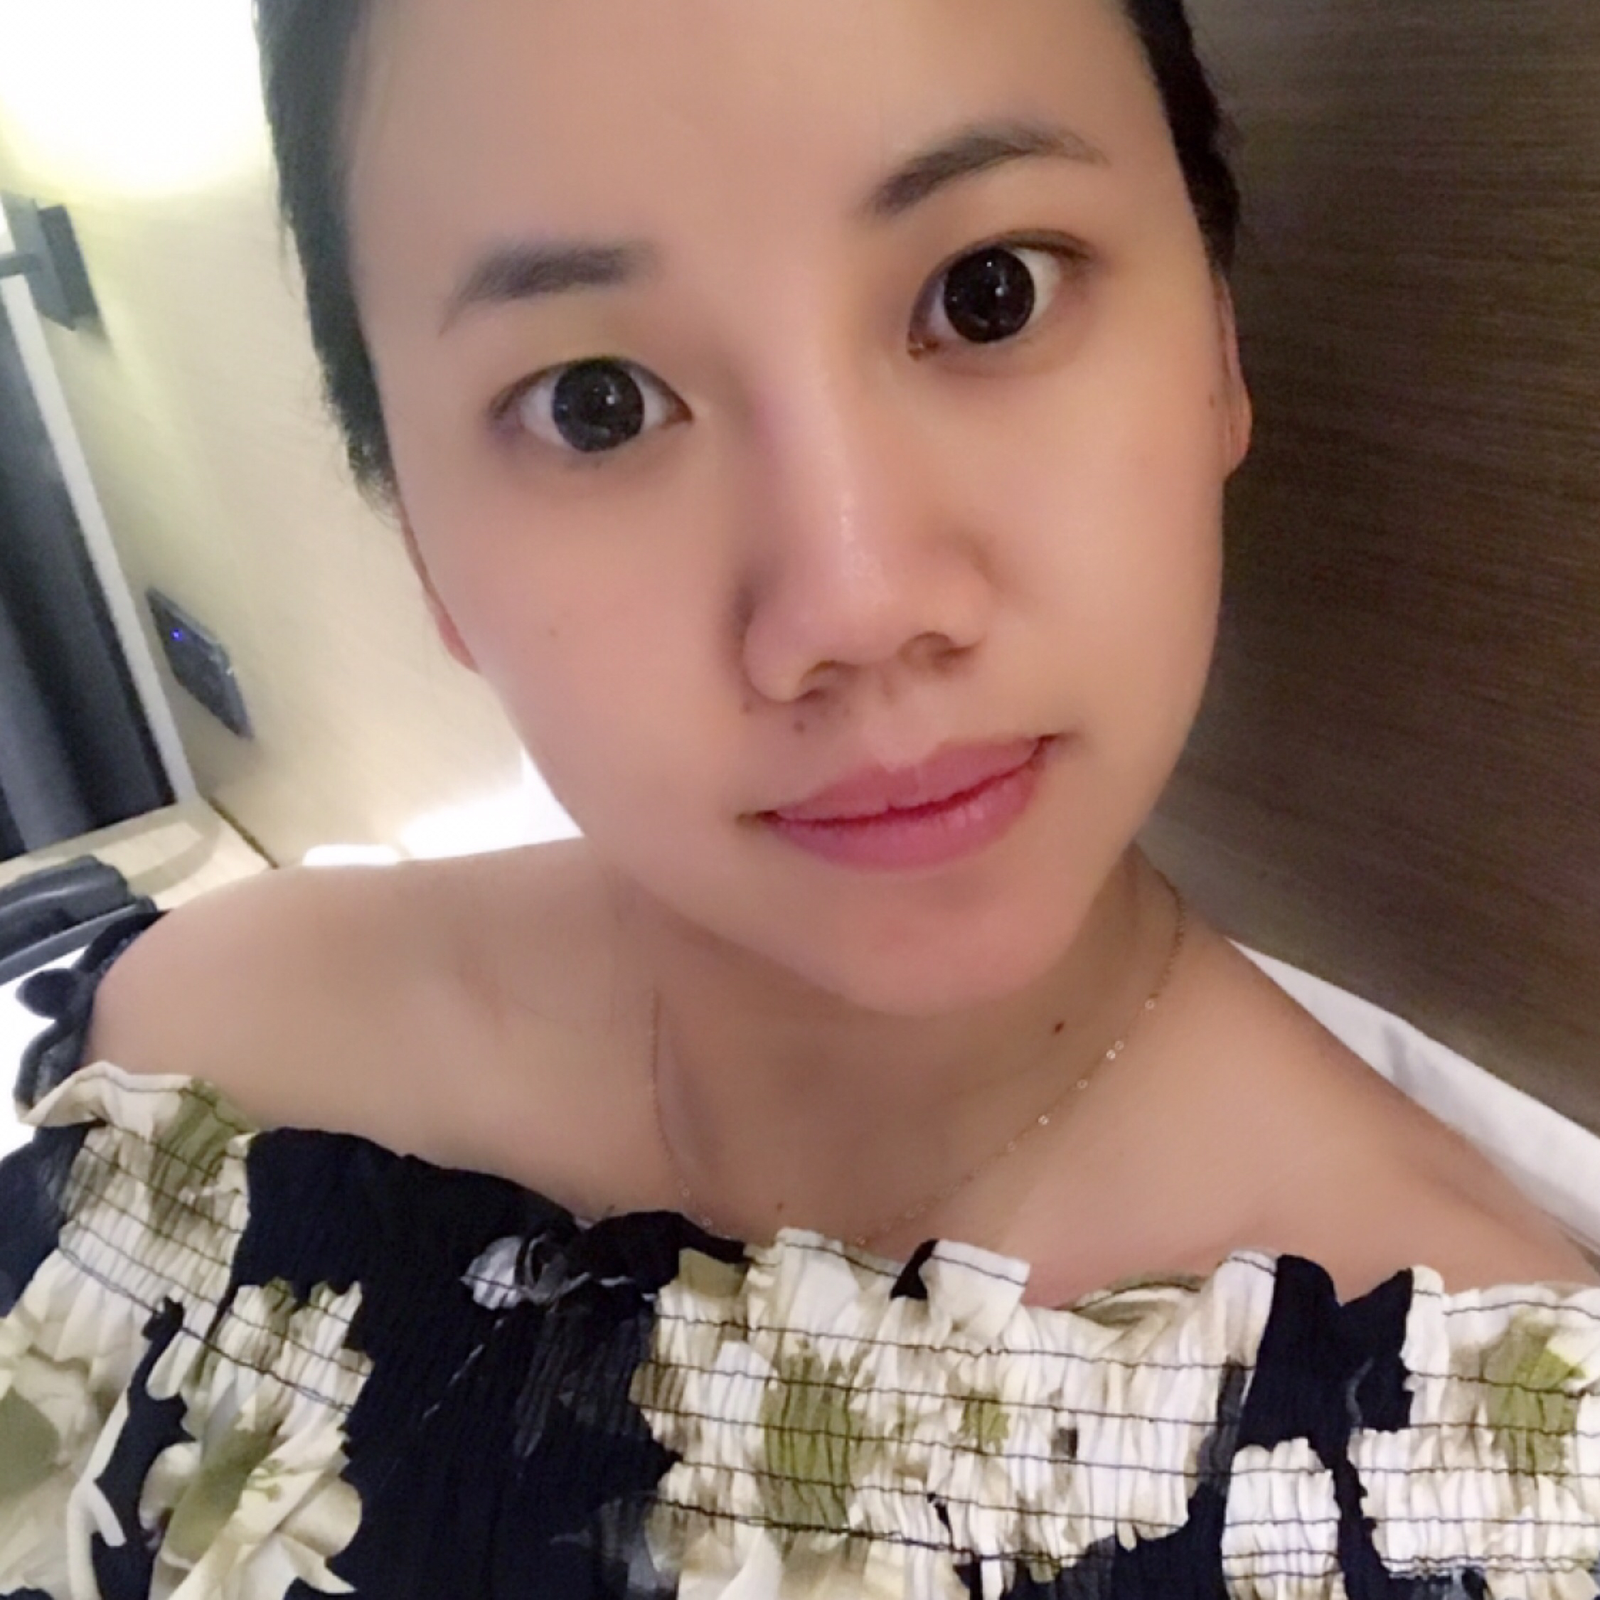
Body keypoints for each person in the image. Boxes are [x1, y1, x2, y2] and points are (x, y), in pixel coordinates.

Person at [4, 0, 1599, 1593]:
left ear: (1219, 358)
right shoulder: (177, 1086)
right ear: (422, 542)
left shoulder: (1475, 1482)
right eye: (595, 402)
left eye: (989, 295)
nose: (854, 604)